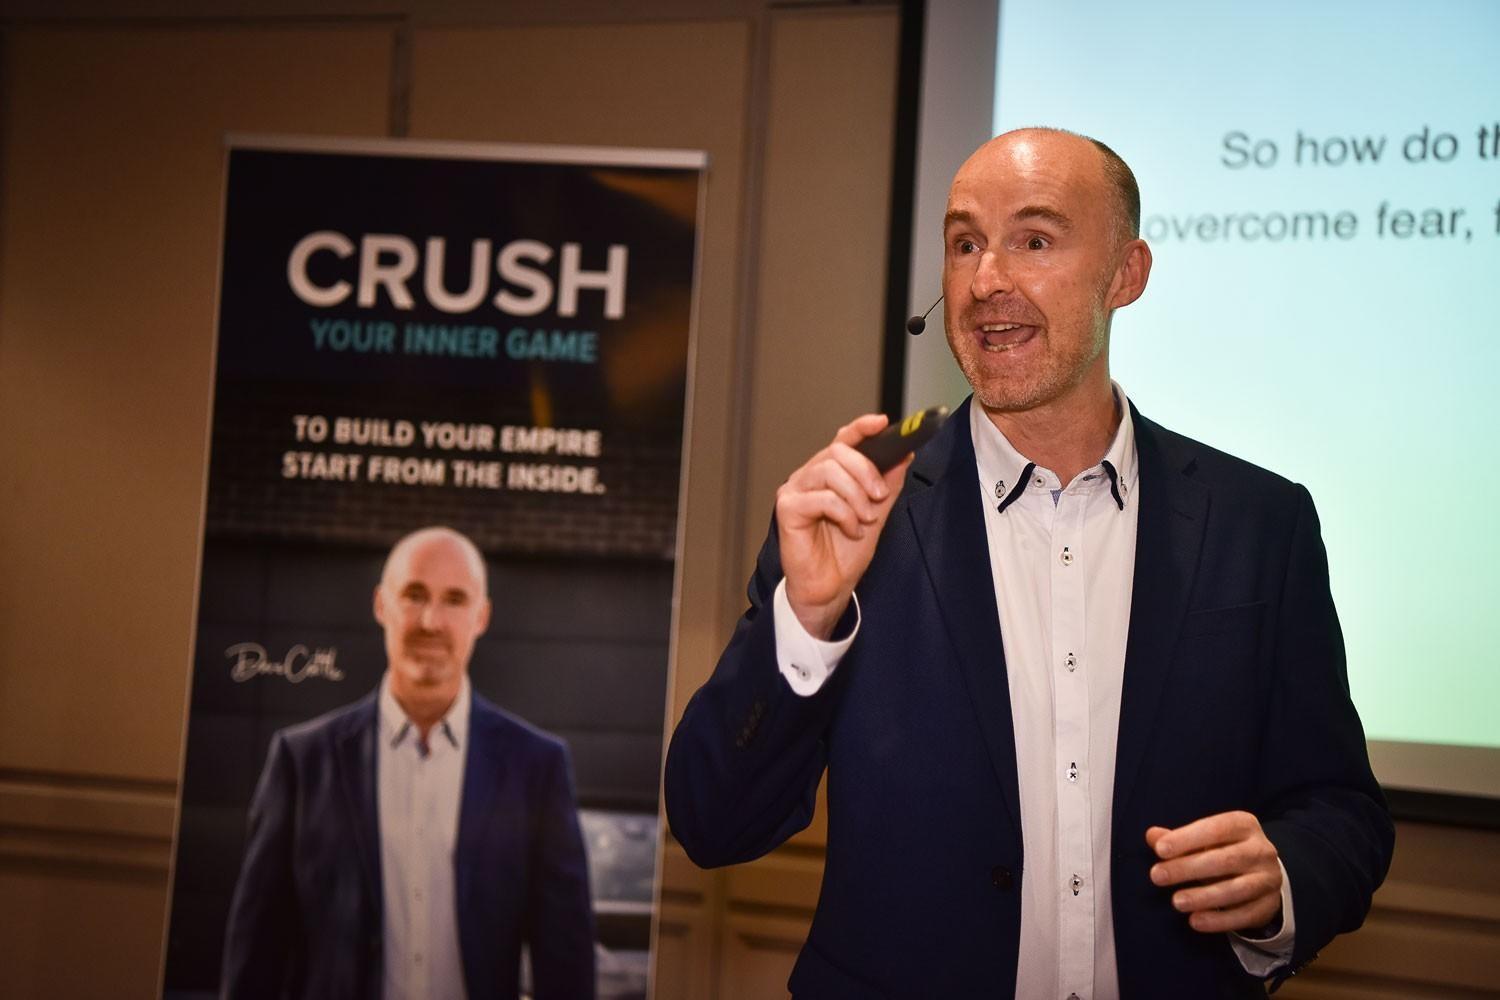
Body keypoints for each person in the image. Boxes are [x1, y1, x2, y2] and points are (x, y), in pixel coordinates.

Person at [664, 128, 1393, 998]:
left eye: (1035, 241)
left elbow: (1340, 809)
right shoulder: (858, 509)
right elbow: (713, 824)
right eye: (965, 243)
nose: (985, 282)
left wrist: (1282, 881)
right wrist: (807, 619)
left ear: (1126, 274)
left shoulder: (1259, 523)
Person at [222, 526, 595, 1000]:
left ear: (481, 616)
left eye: (455, 600)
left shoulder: (536, 768)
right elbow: (257, 949)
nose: (431, 621)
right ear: (382, 605)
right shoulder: (302, 762)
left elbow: (565, 957)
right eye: (414, 595)